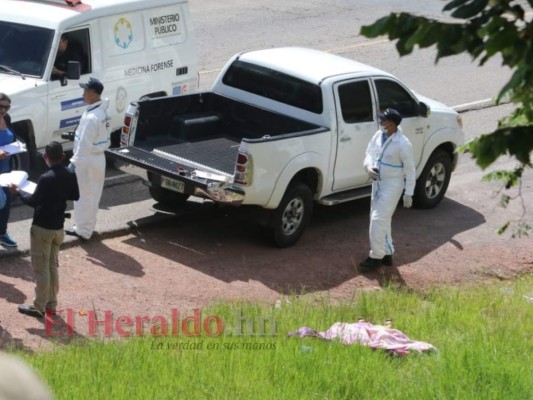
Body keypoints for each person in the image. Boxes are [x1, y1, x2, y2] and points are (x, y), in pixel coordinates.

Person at [10, 141, 79, 319]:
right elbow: (75, 195)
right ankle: (51, 304)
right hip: (58, 228)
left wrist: (18, 192)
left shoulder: (46, 178)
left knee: (41, 268)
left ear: (45, 157)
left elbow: (33, 201)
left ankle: (38, 306)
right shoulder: (70, 173)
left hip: (42, 228)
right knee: (52, 266)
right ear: (63, 156)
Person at [359, 108, 416, 272]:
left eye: (383, 120)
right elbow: (369, 153)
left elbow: (410, 170)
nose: (380, 122)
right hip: (377, 184)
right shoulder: (378, 135)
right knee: (382, 220)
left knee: (378, 220)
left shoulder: (403, 144)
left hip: (392, 185)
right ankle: (387, 253)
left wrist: (409, 193)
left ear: (392, 124)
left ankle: (375, 257)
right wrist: (368, 167)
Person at [65, 77, 110, 240]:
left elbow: (84, 144)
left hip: (88, 160)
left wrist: (73, 163)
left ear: (93, 93)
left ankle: (83, 230)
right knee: (92, 195)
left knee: (84, 195)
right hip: (97, 158)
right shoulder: (102, 110)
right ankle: (86, 227)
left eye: (85, 91)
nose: (83, 94)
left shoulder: (92, 117)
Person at [0, 93, 17, 247]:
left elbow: (12, 137)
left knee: (5, 203)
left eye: (7, 107)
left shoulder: (7, 119)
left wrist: (17, 147)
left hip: (5, 171)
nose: (3, 110)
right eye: (1, 106)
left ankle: (2, 233)